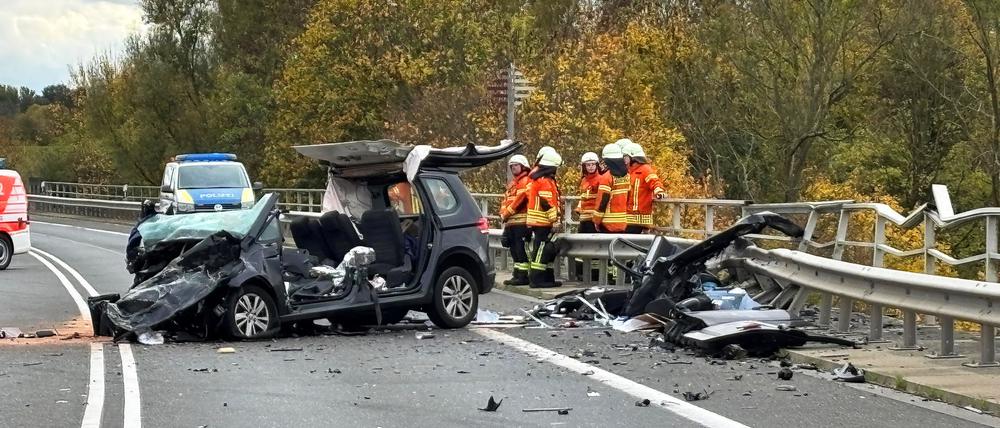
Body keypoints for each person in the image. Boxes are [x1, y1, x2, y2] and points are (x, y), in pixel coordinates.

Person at [525, 150, 563, 288]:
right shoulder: (544, 181)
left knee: (546, 250)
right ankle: (537, 280)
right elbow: (546, 202)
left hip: (540, 221)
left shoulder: (541, 180)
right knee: (542, 250)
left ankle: (547, 279)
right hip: (542, 222)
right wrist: (554, 219)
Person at [498, 154, 532, 286]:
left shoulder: (525, 181)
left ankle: (523, 276)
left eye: (516, 165)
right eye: (512, 166)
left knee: (520, 249)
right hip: (511, 222)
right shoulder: (513, 184)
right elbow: (506, 200)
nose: (513, 168)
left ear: (523, 166)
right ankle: (517, 275)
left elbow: (520, 200)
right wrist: (502, 213)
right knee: (513, 250)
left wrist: (506, 213)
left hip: (521, 222)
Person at [622, 141, 666, 233]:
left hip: (640, 217)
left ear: (633, 157)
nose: (624, 160)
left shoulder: (645, 170)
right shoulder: (629, 172)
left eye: (625, 157)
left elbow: (655, 182)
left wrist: (659, 192)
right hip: (629, 216)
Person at [592, 143, 629, 233]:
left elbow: (602, 201)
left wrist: (596, 220)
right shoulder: (628, 176)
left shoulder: (607, 177)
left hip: (608, 225)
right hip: (626, 223)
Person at [576, 152, 603, 233]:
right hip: (584, 217)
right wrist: (579, 208)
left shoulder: (601, 179)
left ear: (597, 165)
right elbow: (583, 197)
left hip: (594, 218)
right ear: (584, 166)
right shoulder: (583, 180)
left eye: (593, 164)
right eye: (588, 165)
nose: (591, 167)